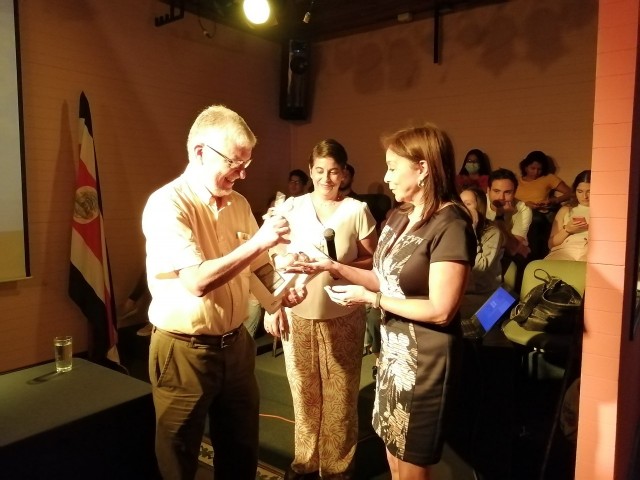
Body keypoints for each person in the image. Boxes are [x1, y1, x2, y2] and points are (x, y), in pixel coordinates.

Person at [297, 124, 476, 479]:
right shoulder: (399, 215)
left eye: (393, 167)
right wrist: (333, 266)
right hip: (392, 357)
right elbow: (383, 277)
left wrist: (372, 298)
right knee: (393, 457)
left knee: (411, 467)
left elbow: (441, 310)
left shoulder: (450, 224)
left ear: (423, 168)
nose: (386, 176)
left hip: (423, 364)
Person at [141, 105, 304, 480]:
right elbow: (196, 281)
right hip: (185, 352)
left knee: (241, 450)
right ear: (200, 152)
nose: (242, 174)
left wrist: (281, 291)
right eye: (235, 162)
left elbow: (259, 264)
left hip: (237, 345)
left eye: (247, 164)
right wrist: (260, 240)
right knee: (178, 457)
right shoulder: (168, 204)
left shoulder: (238, 203)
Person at [264, 139, 377, 480]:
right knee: (303, 392)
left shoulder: (357, 210)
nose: (326, 179)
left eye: (333, 171)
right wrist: (275, 303)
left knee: (341, 393)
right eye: (319, 171)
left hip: (343, 313)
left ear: (344, 173)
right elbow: (274, 258)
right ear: (310, 170)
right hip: (299, 312)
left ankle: (337, 467)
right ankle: (305, 461)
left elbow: (373, 261)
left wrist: (335, 266)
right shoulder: (292, 208)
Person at [459, 186, 505, 319]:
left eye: (468, 204)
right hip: (459, 290)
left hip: (483, 294)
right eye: (460, 203)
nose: (462, 208)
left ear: (479, 207)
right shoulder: (454, 229)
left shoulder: (492, 232)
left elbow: (480, 267)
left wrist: (471, 232)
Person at [516, 150, 572, 259]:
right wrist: (526, 204)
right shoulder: (517, 181)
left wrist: (553, 200)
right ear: (525, 167)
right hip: (520, 213)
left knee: (536, 221)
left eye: (539, 169)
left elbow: (570, 193)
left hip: (539, 214)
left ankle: (535, 258)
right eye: (533, 168)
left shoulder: (548, 178)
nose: (536, 172)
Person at [546, 170, 591, 261]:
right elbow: (551, 244)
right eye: (580, 191)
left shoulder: (605, 211)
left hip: (589, 249)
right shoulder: (566, 209)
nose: (584, 196)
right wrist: (567, 229)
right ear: (575, 191)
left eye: (589, 191)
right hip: (566, 248)